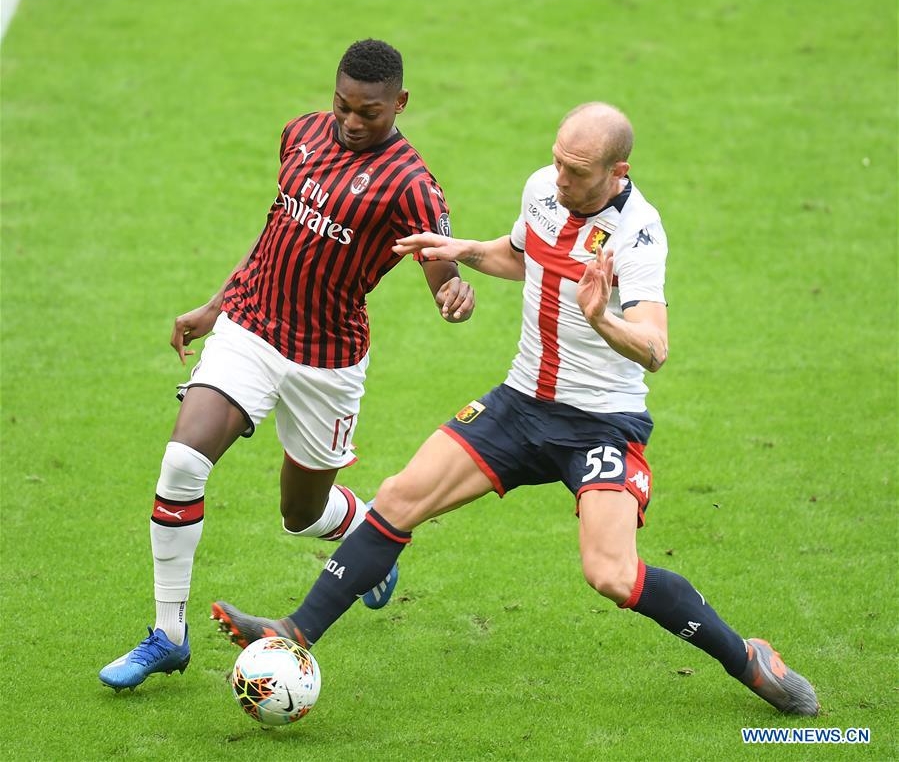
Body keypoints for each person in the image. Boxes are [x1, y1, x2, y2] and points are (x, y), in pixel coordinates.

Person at [211, 103, 819, 716]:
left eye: (577, 171)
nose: (561, 179)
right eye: (558, 162)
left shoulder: (639, 234)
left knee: (611, 574)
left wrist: (601, 317)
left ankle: (747, 658)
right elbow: (522, 254)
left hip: (600, 426)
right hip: (519, 404)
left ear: (618, 172)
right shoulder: (542, 190)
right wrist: (466, 250)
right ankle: (296, 631)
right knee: (398, 496)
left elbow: (655, 348)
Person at [99, 39, 475, 692]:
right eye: (343, 106)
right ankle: (168, 635)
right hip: (250, 327)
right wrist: (217, 304)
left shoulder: (412, 184)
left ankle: (364, 532)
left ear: (400, 104)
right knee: (182, 462)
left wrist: (452, 293)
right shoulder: (301, 134)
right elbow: (277, 228)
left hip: (326, 360)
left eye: (369, 112)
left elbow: (440, 262)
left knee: (300, 513)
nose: (351, 121)